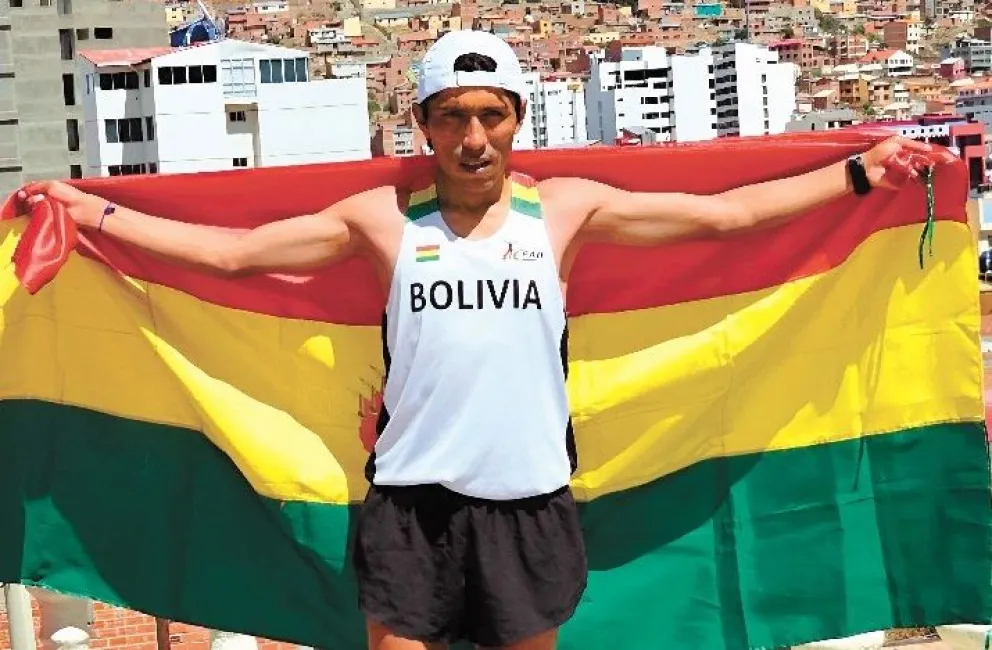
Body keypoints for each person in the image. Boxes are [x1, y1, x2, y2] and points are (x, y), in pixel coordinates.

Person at [18, 29, 938, 650]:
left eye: (490, 114)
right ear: (421, 126)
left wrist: (859, 173)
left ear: (516, 123)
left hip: (528, 500)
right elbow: (237, 255)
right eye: (452, 116)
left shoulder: (565, 211)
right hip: (411, 507)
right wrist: (93, 212)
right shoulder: (382, 219)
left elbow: (721, 216)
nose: (472, 136)